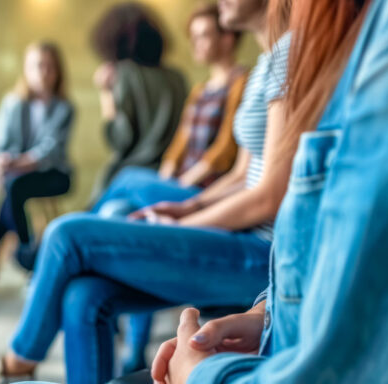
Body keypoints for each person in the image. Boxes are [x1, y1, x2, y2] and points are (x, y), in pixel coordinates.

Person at [150, 0, 388, 383]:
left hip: (271, 291)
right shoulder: (384, 31)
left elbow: (366, 368)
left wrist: (202, 375)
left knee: (86, 240)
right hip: (286, 338)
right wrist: (268, 318)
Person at [0, 0, 294, 382]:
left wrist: (188, 220)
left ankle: (18, 362)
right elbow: (242, 172)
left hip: (265, 253)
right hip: (237, 232)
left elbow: (269, 196)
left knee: (68, 234)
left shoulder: (289, 55)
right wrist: (188, 206)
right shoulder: (267, 61)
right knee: (83, 295)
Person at [91, 3, 249, 374]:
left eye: (203, 35)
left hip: (201, 192)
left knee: (126, 179)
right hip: (176, 184)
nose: (195, 43)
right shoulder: (192, 86)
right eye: (192, 36)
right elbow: (178, 146)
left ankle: (78, 237)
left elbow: (222, 153)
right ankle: (132, 352)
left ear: (228, 38)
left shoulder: (242, 80)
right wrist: (165, 178)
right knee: (121, 214)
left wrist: (178, 187)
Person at [0, 42, 75, 281]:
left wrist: (13, 165)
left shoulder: (64, 107)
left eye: (50, 66)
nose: (44, 72)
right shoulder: (12, 103)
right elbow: (0, 144)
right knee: (12, 187)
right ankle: (27, 255)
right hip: (16, 175)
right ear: (26, 70)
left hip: (54, 175)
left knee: (13, 188)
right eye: (38, 66)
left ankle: (16, 253)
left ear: (58, 71)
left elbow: (50, 152)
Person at [89, 2, 188, 204]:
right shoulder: (178, 78)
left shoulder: (125, 74)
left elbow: (119, 139)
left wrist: (106, 92)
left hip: (130, 181)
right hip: (170, 180)